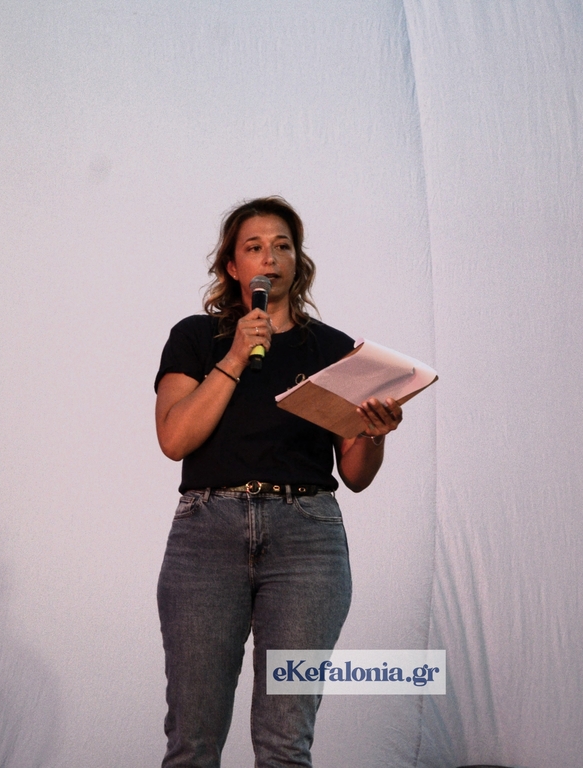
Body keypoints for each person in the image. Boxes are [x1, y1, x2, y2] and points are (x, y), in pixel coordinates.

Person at [152, 197, 403, 767]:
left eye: (283, 245)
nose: (270, 256)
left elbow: (356, 475)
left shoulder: (334, 350)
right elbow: (174, 438)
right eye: (255, 246)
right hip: (207, 536)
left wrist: (374, 433)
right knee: (193, 741)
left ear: (298, 260)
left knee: (285, 743)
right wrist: (238, 354)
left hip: (306, 540)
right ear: (232, 266)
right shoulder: (195, 337)